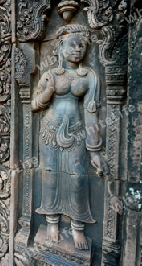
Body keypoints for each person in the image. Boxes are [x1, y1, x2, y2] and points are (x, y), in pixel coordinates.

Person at [31, 24, 108, 250]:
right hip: (49, 131)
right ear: (60, 47)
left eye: (81, 45)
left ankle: (77, 227)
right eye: (72, 45)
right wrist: (47, 92)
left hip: (77, 132)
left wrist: (94, 150)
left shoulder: (89, 77)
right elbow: (35, 105)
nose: (77, 49)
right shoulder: (50, 74)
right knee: (51, 176)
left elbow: (91, 113)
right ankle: (52, 221)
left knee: (78, 178)